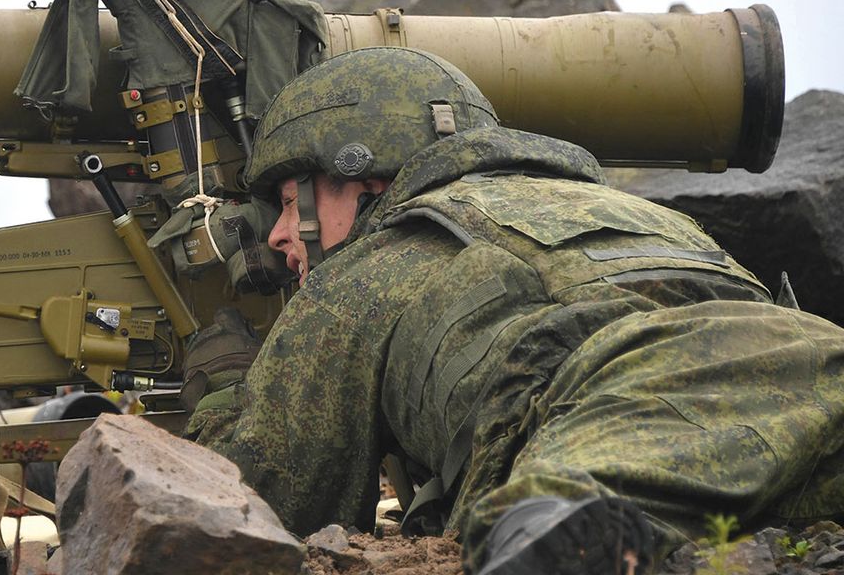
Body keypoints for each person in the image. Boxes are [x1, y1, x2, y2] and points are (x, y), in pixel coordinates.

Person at [182, 47, 844, 575]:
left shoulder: (367, 267)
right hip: (820, 361)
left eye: (292, 203)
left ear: (365, 180)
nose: (277, 235)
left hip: (627, 390)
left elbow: (267, 504)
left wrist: (225, 386)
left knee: (549, 525)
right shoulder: (642, 213)